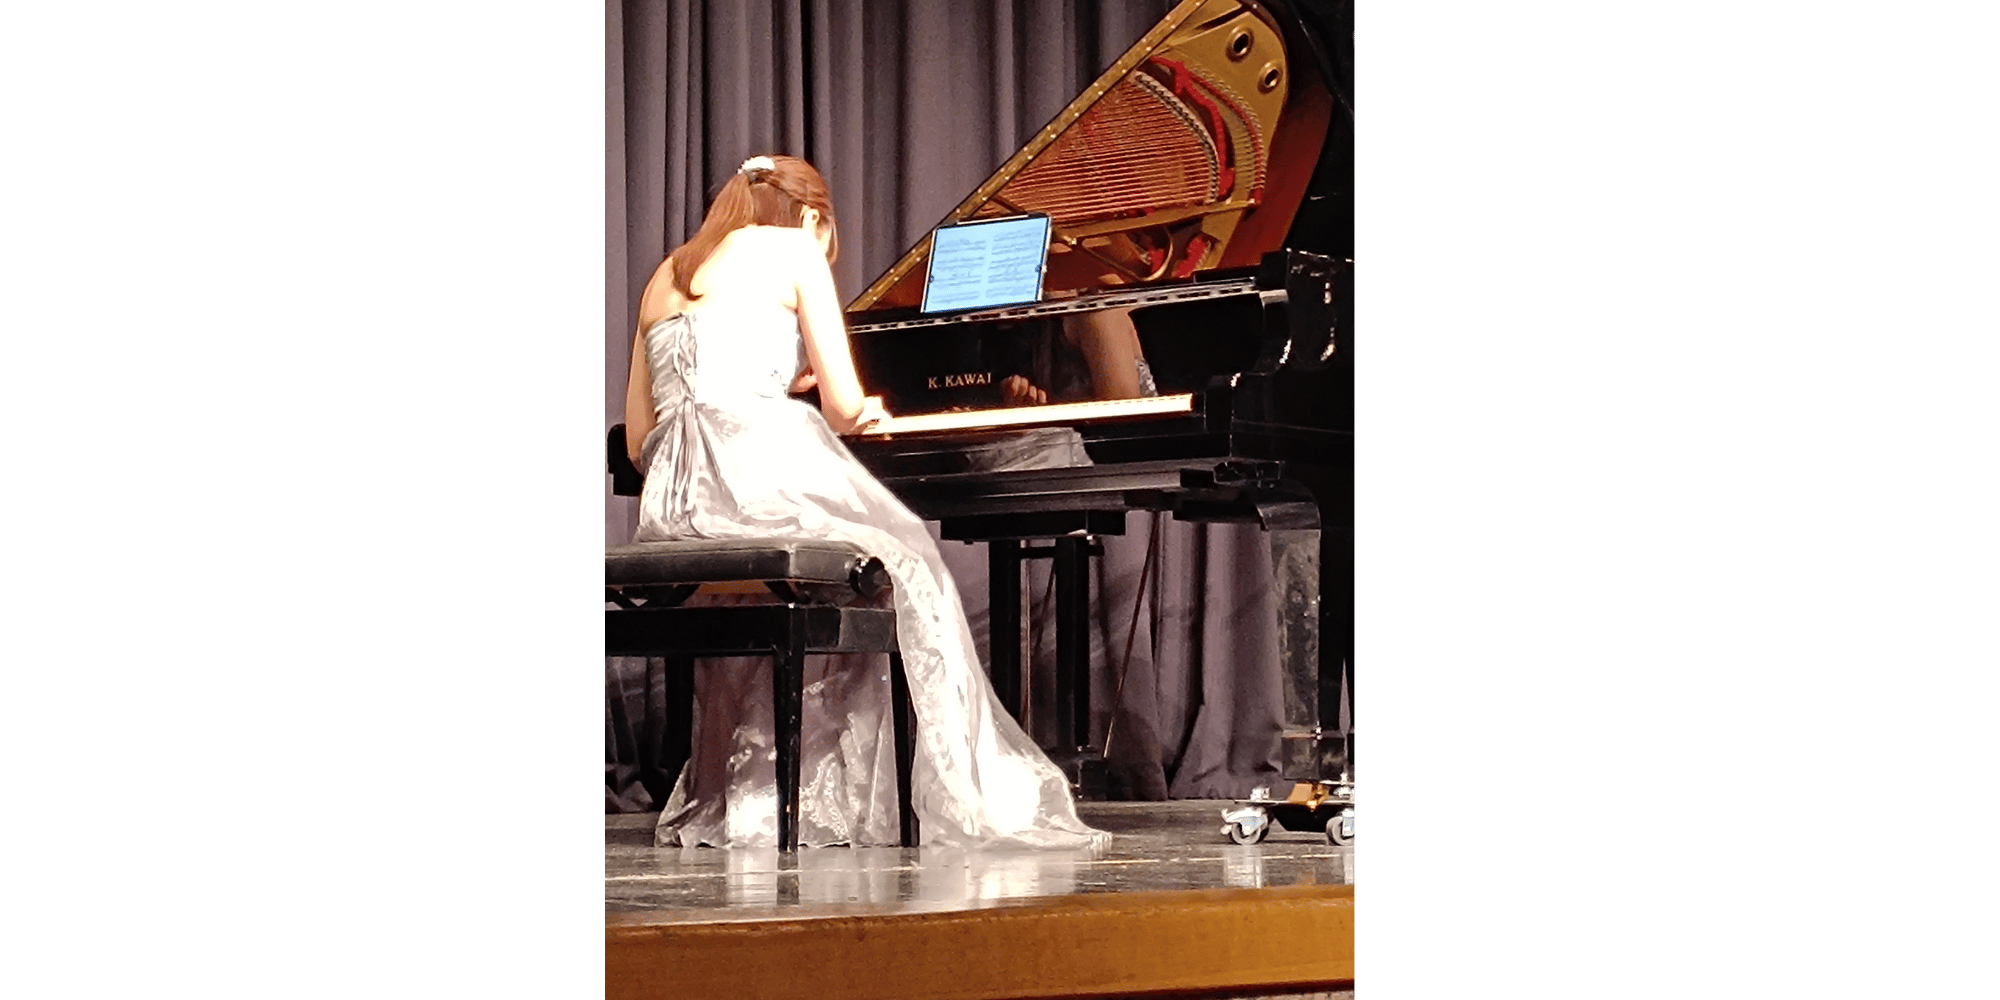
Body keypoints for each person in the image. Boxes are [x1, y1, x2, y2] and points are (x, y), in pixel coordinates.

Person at [623, 153, 1106, 850]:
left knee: (798, 585)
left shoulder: (664, 275)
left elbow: (642, 437)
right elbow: (846, 407)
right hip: (759, 479)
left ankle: (752, 793)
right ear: (815, 219)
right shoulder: (795, 249)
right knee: (906, 567)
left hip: (673, 507)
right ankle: (901, 794)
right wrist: (855, 406)